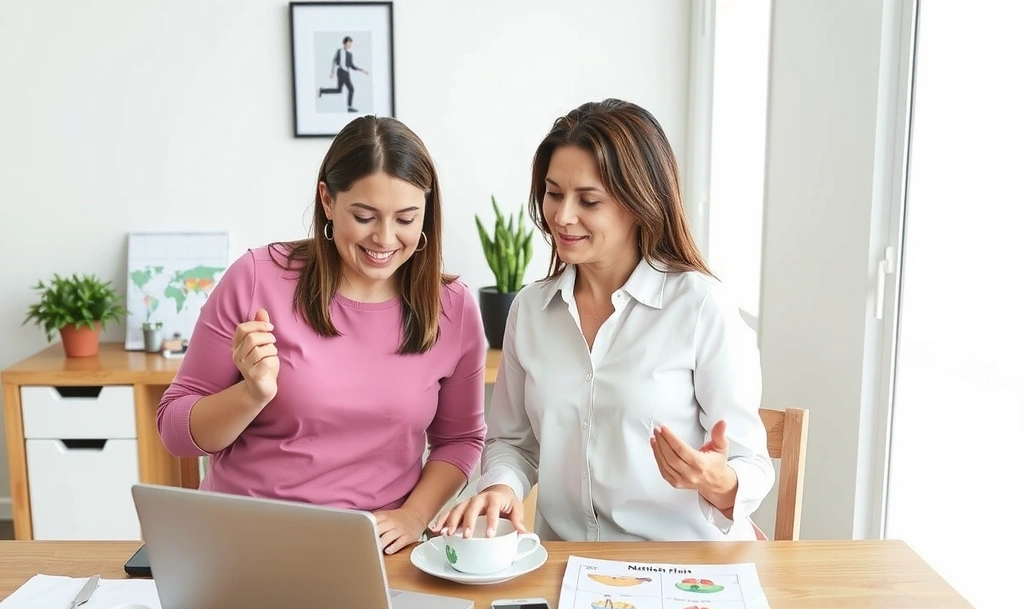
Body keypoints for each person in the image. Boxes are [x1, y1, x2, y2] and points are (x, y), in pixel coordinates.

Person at [435, 99, 773, 542]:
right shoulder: (531, 311)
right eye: (554, 194)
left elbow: (751, 464)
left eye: (588, 200)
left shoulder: (700, 306)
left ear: (638, 204)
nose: (562, 216)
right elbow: (512, 444)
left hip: (681, 570)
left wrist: (717, 481)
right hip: (565, 566)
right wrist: (502, 486)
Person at [157, 116, 487, 554]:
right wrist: (250, 394)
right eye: (365, 216)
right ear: (328, 201)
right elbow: (175, 431)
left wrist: (413, 516)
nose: (385, 238)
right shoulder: (257, 278)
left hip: (375, 548)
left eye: (406, 219)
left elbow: (460, 440)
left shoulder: (454, 307)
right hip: (243, 539)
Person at [317, 36, 369, 113]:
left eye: (351, 43)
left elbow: (352, 66)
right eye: (349, 43)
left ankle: (322, 90)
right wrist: (332, 72)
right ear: (344, 43)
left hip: (346, 73)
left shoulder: (349, 54)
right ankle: (349, 107)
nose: (350, 45)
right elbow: (334, 61)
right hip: (341, 72)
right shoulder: (339, 51)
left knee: (338, 90)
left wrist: (362, 70)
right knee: (351, 89)